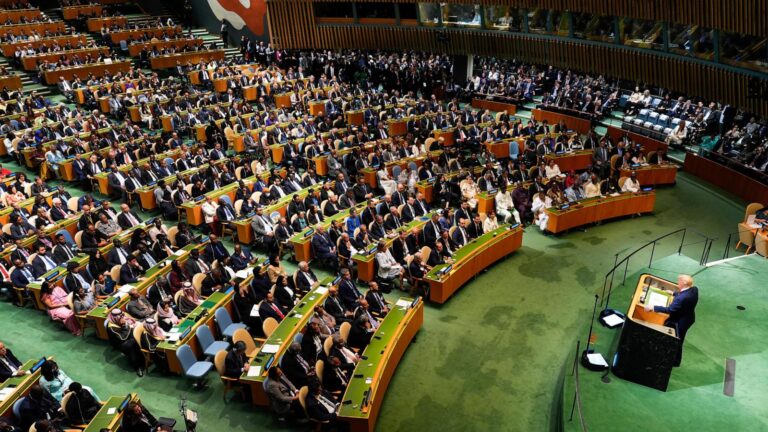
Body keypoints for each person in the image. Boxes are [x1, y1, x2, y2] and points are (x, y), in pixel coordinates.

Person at [644, 274, 699, 366]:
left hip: (680, 322)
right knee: (678, 339)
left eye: (679, 281)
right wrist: (674, 293)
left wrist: (653, 307)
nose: (678, 282)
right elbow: (685, 295)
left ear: (684, 283)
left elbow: (670, 310)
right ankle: (675, 360)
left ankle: (674, 361)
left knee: (677, 340)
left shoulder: (681, 299)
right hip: (688, 318)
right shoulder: (694, 289)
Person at [106, 309, 145, 376]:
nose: (122, 318)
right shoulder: (111, 328)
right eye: (120, 317)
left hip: (127, 334)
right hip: (121, 343)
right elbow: (122, 338)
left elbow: (130, 322)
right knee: (132, 344)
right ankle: (137, 366)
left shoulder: (121, 318)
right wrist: (125, 325)